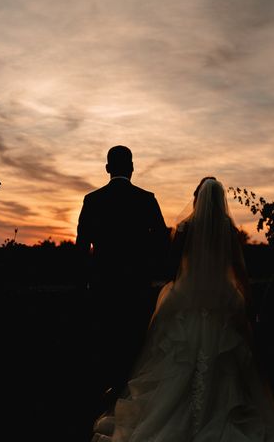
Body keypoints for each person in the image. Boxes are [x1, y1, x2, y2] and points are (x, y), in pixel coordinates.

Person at [91, 177, 274, 442]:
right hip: (221, 300)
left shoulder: (185, 228)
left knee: (175, 360)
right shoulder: (227, 229)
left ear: (197, 199)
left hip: (187, 299)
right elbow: (239, 270)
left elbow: (171, 267)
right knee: (227, 363)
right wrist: (247, 299)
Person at [76, 145, 170, 418]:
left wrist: (85, 283)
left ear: (108, 169)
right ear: (131, 167)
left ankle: (106, 401)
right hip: (137, 286)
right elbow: (163, 242)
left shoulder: (92, 200)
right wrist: (148, 268)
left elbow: (82, 247)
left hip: (103, 287)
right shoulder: (147, 199)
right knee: (134, 344)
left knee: (106, 343)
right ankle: (132, 402)